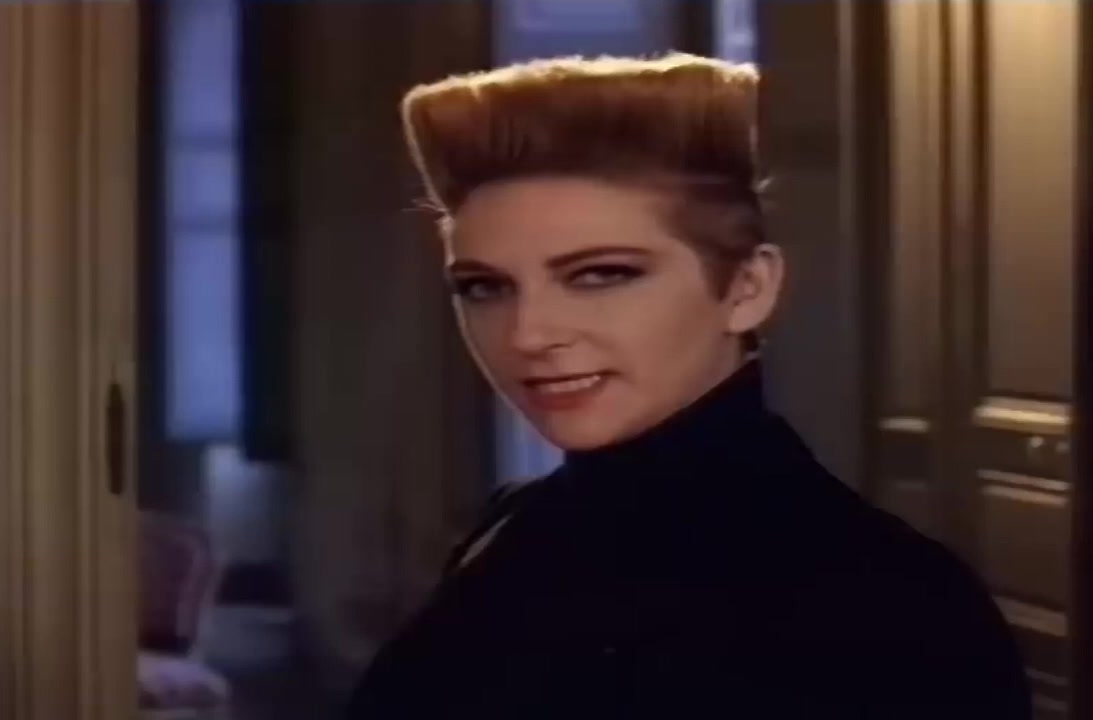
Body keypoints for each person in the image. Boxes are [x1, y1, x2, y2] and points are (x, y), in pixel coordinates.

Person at [348, 53, 1030, 719]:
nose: (528, 334)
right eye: (484, 287)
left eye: (601, 274)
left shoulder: (886, 604)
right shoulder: (513, 526)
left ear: (747, 287)